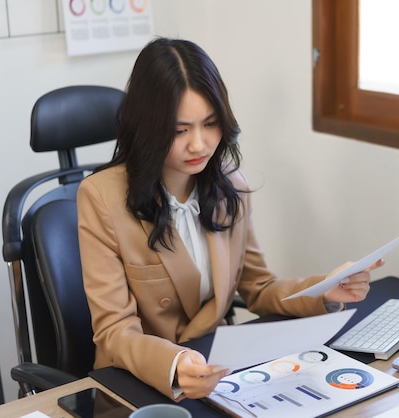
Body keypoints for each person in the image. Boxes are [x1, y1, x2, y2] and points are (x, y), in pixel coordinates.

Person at [77, 37, 383, 401]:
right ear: (148, 128)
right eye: (179, 130)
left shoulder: (229, 185)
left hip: (217, 370)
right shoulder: (100, 197)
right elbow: (114, 331)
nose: (199, 145)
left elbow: (258, 289)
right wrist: (176, 364)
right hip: (143, 380)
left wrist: (325, 291)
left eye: (210, 124)